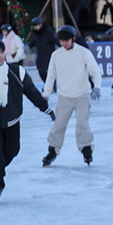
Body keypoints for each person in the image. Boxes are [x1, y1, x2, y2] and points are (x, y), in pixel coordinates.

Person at [0, 37, 52, 202]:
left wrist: (46, 108)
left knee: (12, 150)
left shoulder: (16, 71)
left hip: (12, 119)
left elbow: (32, 92)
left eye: (1, 51)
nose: (0, 56)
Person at [41, 25, 102, 167]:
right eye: (61, 40)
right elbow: (51, 77)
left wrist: (97, 87)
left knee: (83, 123)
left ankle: (87, 149)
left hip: (82, 94)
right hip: (64, 96)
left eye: (67, 40)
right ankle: (53, 151)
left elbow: (96, 71)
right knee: (59, 125)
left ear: (73, 38)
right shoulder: (56, 55)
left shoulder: (83, 52)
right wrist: (46, 95)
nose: (64, 43)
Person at [28, 16, 58, 85]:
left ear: (41, 24)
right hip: (40, 55)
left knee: (50, 71)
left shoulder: (49, 31)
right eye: (34, 26)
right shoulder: (36, 33)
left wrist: (62, 46)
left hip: (49, 55)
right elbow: (34, 41)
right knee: (41, 71)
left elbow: (55, 40)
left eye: (36, 25)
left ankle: (52, 85)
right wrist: (30, 45)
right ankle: (48, 84)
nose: (35, 27)